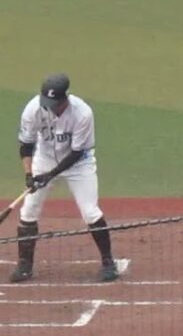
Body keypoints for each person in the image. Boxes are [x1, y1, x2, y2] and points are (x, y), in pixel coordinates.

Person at [11, 72, 118, 283]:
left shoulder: (82, 113)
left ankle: (108, 262)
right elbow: (26, 145)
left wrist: (50, 175)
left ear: (65, 99)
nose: (49, 107)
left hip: (79, 165)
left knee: (90, 212)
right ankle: (24, 265)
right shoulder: (33, 109)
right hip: (44, 160)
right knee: (29, 209)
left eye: (54, 104)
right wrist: (29, 174)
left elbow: (77, 152)